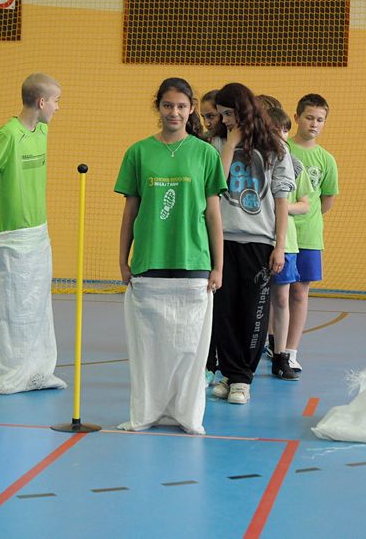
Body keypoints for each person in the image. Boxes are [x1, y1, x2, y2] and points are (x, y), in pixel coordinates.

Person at [114, 77, 226, 435]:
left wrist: (218, 264)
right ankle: (146, 412)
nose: (174, 112)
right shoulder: (138, 152)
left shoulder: (205, 153)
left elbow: (213, 214)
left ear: (191, 108)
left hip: (193, 261)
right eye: (167, 105)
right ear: (158, 107)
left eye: (181, 106)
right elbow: (131, 210)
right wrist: (123, 258)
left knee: (189, 349)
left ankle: (186, 414)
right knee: (150, 349)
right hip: (149, 260)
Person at [0, 73, 66, 394]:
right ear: (41, 102)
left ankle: (37, 372)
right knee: (9, 308)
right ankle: (3, 375)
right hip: (10, 237)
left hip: (38, 232)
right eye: (56, 101)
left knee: (35, 306)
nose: (58, 108)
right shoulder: (9, 134)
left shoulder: (42, 130)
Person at [209, 82, 295, 405]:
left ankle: (243, 377)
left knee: (255, 311)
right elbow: (215, 185)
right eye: (222, 115)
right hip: (224, 238)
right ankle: (231, 375)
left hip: (259, 241)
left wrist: (280, 245)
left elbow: (282, 199)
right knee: (224, 310)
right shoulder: (217, 141)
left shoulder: (274, 148)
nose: (226, 120)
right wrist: (230, 145)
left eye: (230, 114)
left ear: (245, 109)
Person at [285, 94, 339, 372]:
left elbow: (325, 201)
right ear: (296, 118)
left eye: (320, 119)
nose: (314, 124)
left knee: (299, 293)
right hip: (281, 235)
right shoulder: (284, 149)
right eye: (309, 117)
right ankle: (274, 344)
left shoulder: (326, 159)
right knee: (277, 292)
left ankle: (291, 350)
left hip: (309, 237)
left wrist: (306, 215)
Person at [265, 106, 314, 381]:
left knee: (282, 298)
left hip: (286, 243)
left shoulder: (294, 164)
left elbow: (305, 204)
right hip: (256, 238)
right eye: (274, 130)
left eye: (284, 130)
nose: (280, 136)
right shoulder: (254, 163)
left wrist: (280, 208)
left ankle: (281, 355)